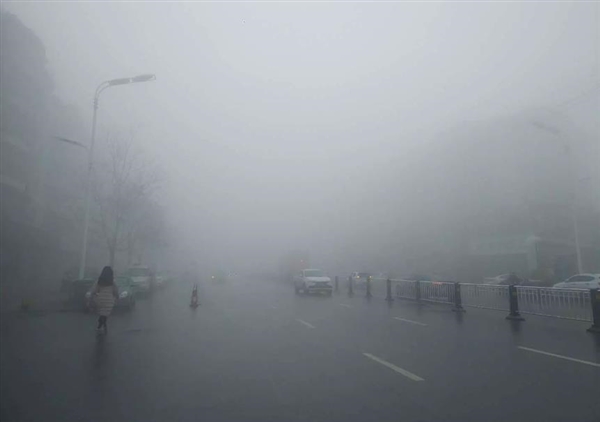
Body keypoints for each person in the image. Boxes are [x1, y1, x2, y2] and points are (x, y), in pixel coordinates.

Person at [91, 266, 119, 333]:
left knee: (102, 313)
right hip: (109, 300)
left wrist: (94, 295)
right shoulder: (112, 282)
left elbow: (95, 290)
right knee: (105, 314)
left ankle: (101, 325)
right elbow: (115, 291)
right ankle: (102, 324)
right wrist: (117, 297)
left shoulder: (99, 281)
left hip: (100, 299)